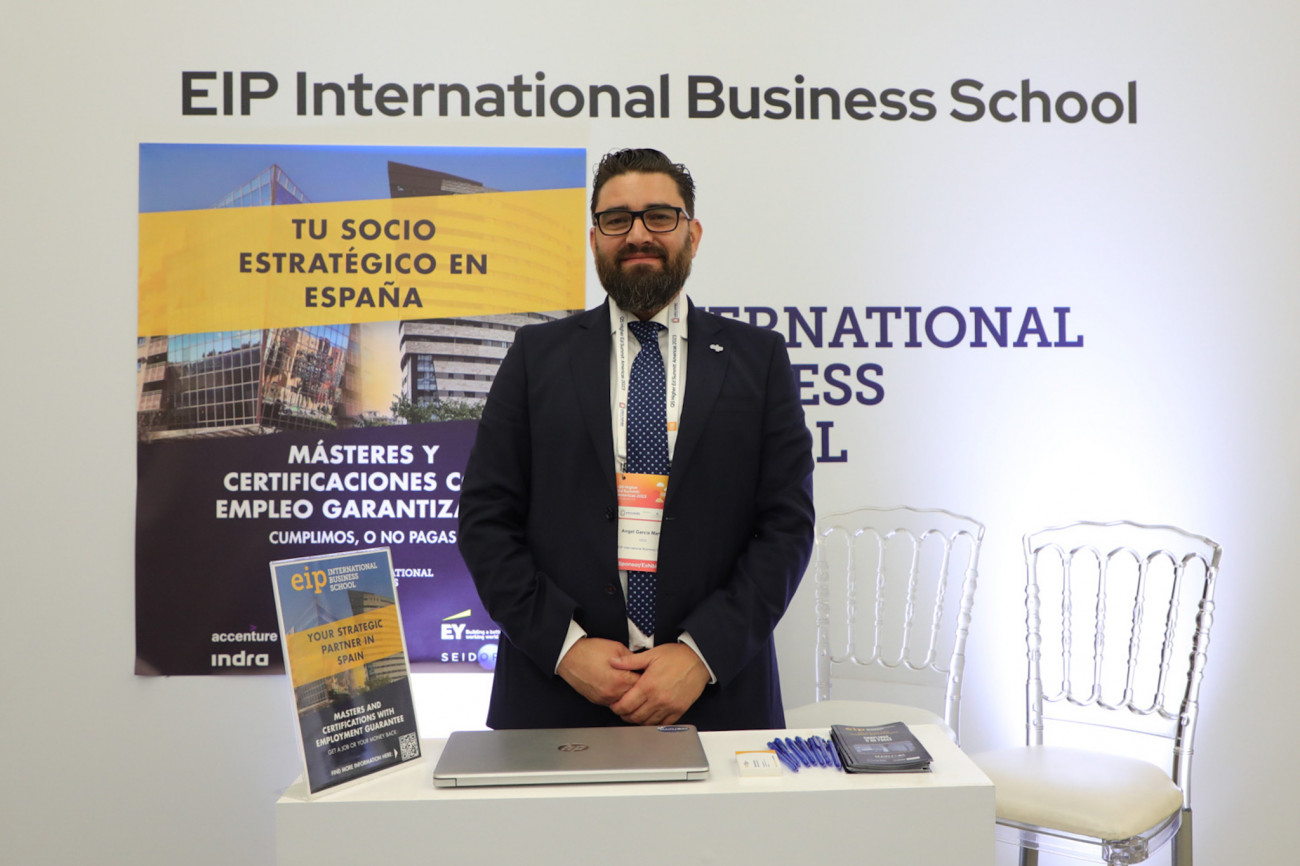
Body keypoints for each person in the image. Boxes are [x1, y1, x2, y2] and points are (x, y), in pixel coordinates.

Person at [457, 147, 814, 731]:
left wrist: (700, 656)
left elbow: (786, 527)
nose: (638, 235)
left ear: (693, 234)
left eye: (659, 217)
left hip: (715, 699)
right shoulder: (534, 358)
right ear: (594, 238)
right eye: (617, 219)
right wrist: (565, 647)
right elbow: (485, 519)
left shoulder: (760, 359)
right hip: (557, 696)